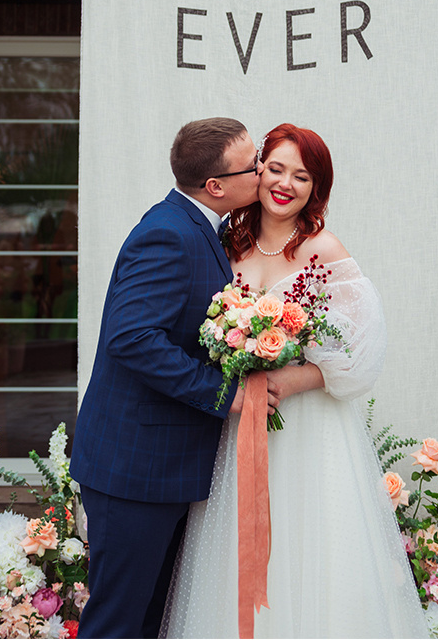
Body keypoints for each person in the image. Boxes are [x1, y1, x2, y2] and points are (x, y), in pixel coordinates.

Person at [161, 124, 426, 637]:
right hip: (237, 428)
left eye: (301, 176)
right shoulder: (225, 245)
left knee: (311, 550)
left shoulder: (322, 250)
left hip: (307, 432)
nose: (284, 184)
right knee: (236, 545)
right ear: (257, 172)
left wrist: (297, 378)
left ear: (315, 187)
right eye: (276, 169)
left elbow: (363, 347)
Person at [73, 116, 285, 639]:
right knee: (118, 623)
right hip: (134, 471)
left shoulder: (196, 227)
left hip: (158, 470)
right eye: (253, 164)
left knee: (148, 622)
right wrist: (226, 393)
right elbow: (133, 338)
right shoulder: (168, 234)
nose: (261, 172)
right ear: (215, 186)